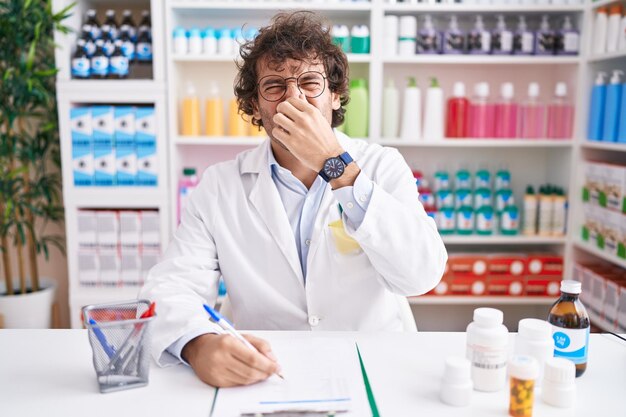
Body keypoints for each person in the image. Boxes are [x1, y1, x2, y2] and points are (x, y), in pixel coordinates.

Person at [140, 11, 447, 388]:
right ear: (254, 107)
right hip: (265, 373)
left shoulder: (382, 166)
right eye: (274, 86)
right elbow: (170, 287)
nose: (294, 98)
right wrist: (196, 344)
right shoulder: (220, 186)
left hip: (372, 370)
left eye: (310, 82)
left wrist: (337, 168)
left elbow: (420, 275)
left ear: (335, 97)